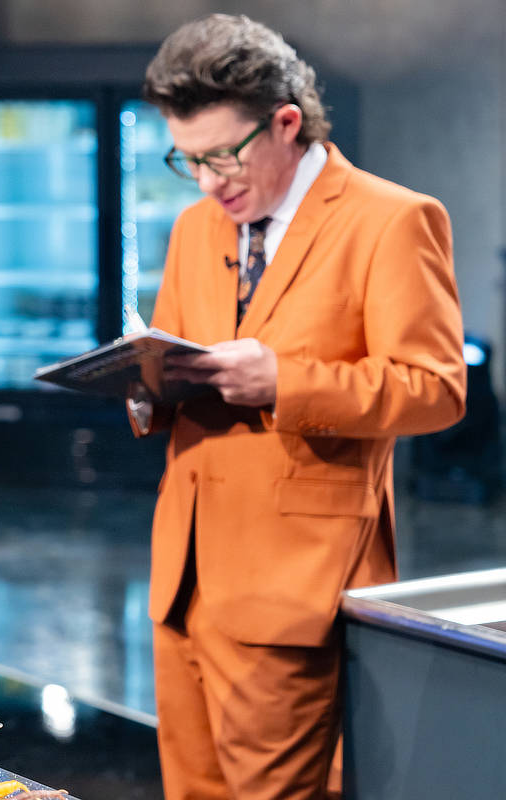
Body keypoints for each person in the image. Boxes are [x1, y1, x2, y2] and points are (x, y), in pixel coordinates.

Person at [129, 14, 466, 800]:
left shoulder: (392, 219)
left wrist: (287, 381)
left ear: (286, 122)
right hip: (182, 578)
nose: (210, 180)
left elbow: (437, 388)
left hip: (295, 585)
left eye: (223, 155)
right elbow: (178, 367)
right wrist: (142, 385)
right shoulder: (193, 226)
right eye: (190, 160)